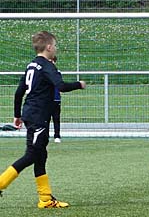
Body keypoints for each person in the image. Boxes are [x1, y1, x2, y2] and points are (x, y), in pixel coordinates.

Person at [0, 31, 86, 207]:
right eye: (55, 46)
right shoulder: (47, 66)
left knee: (41, 155)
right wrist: (79, 84)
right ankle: (1, 183)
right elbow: (61, 86)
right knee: (32, 154)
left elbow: (19, 92)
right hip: (38, 116)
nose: (56, 49)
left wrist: (17, 115)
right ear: (48, 47)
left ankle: (45, 199)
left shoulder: (31, 65)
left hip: (33, 114)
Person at [49, 56, 62, 143]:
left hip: (56, 99)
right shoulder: (43, 72)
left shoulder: (57, 73)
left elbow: (60, 85)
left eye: (53, 61)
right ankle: (44, 135)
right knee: (44, 119)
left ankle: (57, 135)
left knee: (56, 118)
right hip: (46, 99)